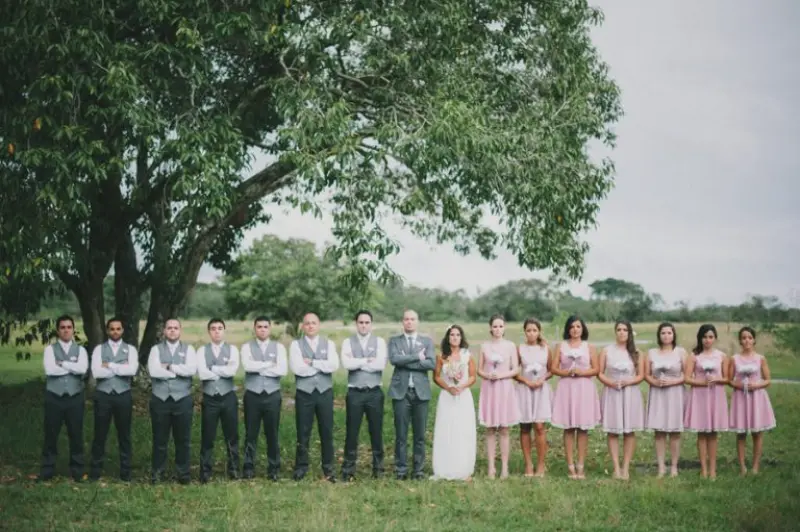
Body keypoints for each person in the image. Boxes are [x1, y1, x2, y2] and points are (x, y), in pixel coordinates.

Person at [289, 313, 340, 482]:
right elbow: (298, 369)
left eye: (314, 323)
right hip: (305, 393)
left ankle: (328, 469)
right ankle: (301, 468)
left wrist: (311, 362)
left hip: (325, 392)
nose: (310, 326)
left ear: (319, 325)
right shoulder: (296, 345)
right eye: (307, 323)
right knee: (303, 431)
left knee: (326, 431)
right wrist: (321, 364)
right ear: (303, 326)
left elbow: (333, 365)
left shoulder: (329, 344)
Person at [38, 315, 89, 482]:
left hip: (75, 397)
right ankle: (47, 470)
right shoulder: (49, 350)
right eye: (62, 327)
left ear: (73, 329)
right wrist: (70, 367)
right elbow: (50, 371)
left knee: (76, 434)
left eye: (69, 327)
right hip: (54, 397)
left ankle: (77, 471)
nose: (66, 330)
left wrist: (63, 364)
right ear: (58, 330)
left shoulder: (81, 350)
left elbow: (82, 369)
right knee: (51, 434)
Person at [550, 315, 601, 480]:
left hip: (584, 387)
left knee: (582, 427)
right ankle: (570, 465)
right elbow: (553, 368)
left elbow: (596, 369)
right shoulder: (561, 346)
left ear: (583, 328)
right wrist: (566, 372)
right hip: (567, 387)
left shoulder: (589, 347)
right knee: (569, 427)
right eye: (572, 327)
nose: (575, 330)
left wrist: (582, 373)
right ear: (568, 329)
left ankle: (581, 465)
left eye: (578, 326)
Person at [147, 318, 197, 484]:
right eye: (169, 328)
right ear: (164, 331)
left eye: (176, 328)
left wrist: (169, 367)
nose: (173, 330)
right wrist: (178, 371)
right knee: (159, 439)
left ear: (180, 330)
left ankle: (183, 474)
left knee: (183, 439)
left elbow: (191, 370)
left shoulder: (189, 349)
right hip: (160, 399)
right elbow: (154, 371)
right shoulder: (155, 349)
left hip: (182, 399)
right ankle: (157, 473)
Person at [388, 309, 436, 480]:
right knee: (401, 434)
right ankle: (401, 470)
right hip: (401, 392)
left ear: (417, 321)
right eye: (406, 319)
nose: (409, 322)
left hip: (420, 393)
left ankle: (418, 471)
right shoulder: (394, 341)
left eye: (412, 319)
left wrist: (405, 360)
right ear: (402, 321)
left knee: (420, 435)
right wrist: (416, 357)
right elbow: (394, 360)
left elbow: (431, 363)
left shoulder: (427, 341)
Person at [89, 317, 139, 481]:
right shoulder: (99, 349)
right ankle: (95, 472)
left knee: (124, 435)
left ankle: (125, 473)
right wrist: (120, 367)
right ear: (107, 330)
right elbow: (97, 372)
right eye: (112, 329)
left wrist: (109, 365)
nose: (115, 332)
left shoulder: (130, 349)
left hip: (123, 395)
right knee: (99, 434)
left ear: (122, 330)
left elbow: (131, 370)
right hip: (103, 395)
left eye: (118, 329)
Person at [340, 310, 387, 481]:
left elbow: (380, 364)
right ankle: (348, 470)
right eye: (361, 322)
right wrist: (367, 360)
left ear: (371, 324)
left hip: (374, 392)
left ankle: (379, 469)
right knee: (352, 432)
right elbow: (347, 363)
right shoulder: (347, 342)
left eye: (367, 322)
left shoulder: (380, 342)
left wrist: (357, 361)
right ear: (356, 323)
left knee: (376, 431)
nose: (364, 325)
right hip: (355, 393)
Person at [241, 316, 288, 481]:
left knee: (272, 433)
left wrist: (259, 366)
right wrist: (269, 364)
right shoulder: (247, 347)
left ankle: (273, 468)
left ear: (270, 329)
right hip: (252, 395)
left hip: (272, 395)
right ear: (255, 329)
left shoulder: (279, 347)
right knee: (251, 433)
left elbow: (282, 370)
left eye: (265, 327)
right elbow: (248, 366)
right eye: (259, 326)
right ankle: (248, 467)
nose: (262, 329)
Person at [597, 320, 645, 480]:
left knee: (629, 430)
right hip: (612, 392)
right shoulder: (606, 351)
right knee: (613, 430)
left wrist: (628, 382)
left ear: (630, 332)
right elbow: (600, 372)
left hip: (630, 392)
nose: (622, 332)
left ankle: (626, 468)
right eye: (619, 329)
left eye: (625, 329)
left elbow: (641, 375)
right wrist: (610, 382)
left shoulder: (636, 352)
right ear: (615, 332)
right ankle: (616, 468)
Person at [196, 318, 240, 483]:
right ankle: (205, 472)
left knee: (232, 435)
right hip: (210, 398)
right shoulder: (201, 351)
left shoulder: (233, 349)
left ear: (224, 330)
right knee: (208, 436)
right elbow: (202, 373)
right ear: (209, 332)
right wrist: (222, 369)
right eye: (213, 328)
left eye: (220, 328)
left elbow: (232, 371)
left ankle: (234, 470)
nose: (216, 331)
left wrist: (212, 368)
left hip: (228, 396)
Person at [728, 326, 776, 476]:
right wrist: (740, 384)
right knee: (741, 434)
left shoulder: (760, 358)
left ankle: (755, 467)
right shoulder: (734, 359)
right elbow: (729, 380)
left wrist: (756, 385)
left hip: (757, 397)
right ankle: (742, 467)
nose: (747, 340)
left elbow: (768, 380)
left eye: (749, 337)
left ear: (754, 340)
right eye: (743, 337)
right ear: (740, 341)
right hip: (741, 397)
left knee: (757, 433)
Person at [431, 324, 477, 480]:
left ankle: (463, 467)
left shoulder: (467, 355)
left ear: (461, 337)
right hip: (447, 396)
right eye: (452, 335)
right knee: (447, 429)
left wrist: (461, 386)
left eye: (457, 335)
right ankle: (444, 466)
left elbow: (472, 376)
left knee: (463, 430)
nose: (455, 337)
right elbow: (436, 376)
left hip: (463, 396)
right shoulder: (441, 357)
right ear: (448, 337)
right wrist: (449, 387)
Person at [684, 323, 729, 480]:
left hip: (716, 395)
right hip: (700, 395)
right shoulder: (694, 356)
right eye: (704, 337)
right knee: (702, 433)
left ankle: (713, 469)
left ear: (715, 338)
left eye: (710, 337)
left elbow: (727, 378)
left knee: (713, 434)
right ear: (700, 338)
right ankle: (703, 468)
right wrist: (702, 382)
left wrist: (717, 379)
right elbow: (687, 378)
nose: (707, 340)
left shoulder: (722, 356)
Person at [477, 314, 520, 478]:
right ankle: (491, 467)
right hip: (490, 387)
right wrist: (487, 375)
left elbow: (516, 368)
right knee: (489, 428)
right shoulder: (484, 346)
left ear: (505, 328)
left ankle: (505, 467)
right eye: (495, 326)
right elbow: (479, 369)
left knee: (504, 429)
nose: (498, 329)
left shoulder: (510, 346)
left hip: (505, 387)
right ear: (490, 328)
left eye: (500, 326)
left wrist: (502, 375)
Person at [644, 322, 686, 478]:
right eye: (663, 333)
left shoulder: (680, 352)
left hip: (675, 393)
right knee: (659, 431)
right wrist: (654, 382)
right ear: (659, 335)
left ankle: (674, 466)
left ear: (674, 335)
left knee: (674, 431)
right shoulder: (652, 353)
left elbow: (686, 375)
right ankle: (661, 467)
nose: (666, 336)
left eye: (669, 333)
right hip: (658, 393)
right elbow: (646, 374)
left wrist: (673, 382)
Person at [514, 318, 553, 478]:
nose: (531, 333)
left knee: (539, 426)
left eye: (534, 330)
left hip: (540, 390)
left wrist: (541, 379)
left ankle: (541, 464)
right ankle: (528, 464)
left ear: (539, 332)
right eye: (528, 330)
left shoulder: (545, 349)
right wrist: (526, 381)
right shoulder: (519, 349)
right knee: (525, 427)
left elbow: (551, 370)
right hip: (524, 389)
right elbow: (514, 372)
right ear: (525, 332)